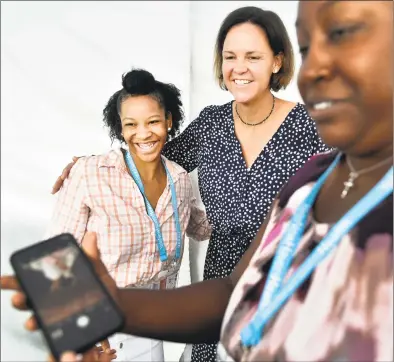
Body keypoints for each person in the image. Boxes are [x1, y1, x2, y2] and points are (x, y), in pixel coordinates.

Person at [3, 1, 392, 361]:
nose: (239, 67)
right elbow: (150, 156)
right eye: (229, 57)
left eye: (253, 56)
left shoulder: (313, 125)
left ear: (277, 61)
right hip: (218, 285)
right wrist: (90, 165)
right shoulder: (210, 125)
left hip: (286, 283)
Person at [43, 68, 211, 361]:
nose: (143, 133)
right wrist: (80, 336)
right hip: (100, 329)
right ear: (120, 128)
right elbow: (55, 258)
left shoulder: (180, 179)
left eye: (154, 122)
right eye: (131, 124)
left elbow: (203, 228)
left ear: (169, 121)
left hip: (152, 323)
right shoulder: (90, 173)